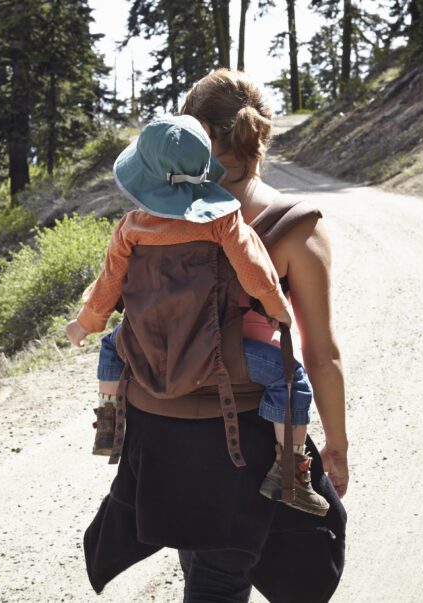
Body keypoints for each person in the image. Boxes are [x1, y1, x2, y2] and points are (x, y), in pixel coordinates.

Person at [83, 69, 349, 603]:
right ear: (260, 135)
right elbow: (320, 354)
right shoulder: (297, 225)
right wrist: (336, 447)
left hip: (159, 425)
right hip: (246, 435)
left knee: (206, 571)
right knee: (223, 578)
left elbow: (120, 309)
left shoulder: (150, 214)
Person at [66, 112, 330, 516]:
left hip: (145, 346)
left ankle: (109, 418)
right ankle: (289, 469)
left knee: (110, 347)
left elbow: (107, 289)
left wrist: (84, 324)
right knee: (290, 379)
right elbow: (257, 275)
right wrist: (280, 313)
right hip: (220, 353)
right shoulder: (224, 221)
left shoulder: (129, 229)